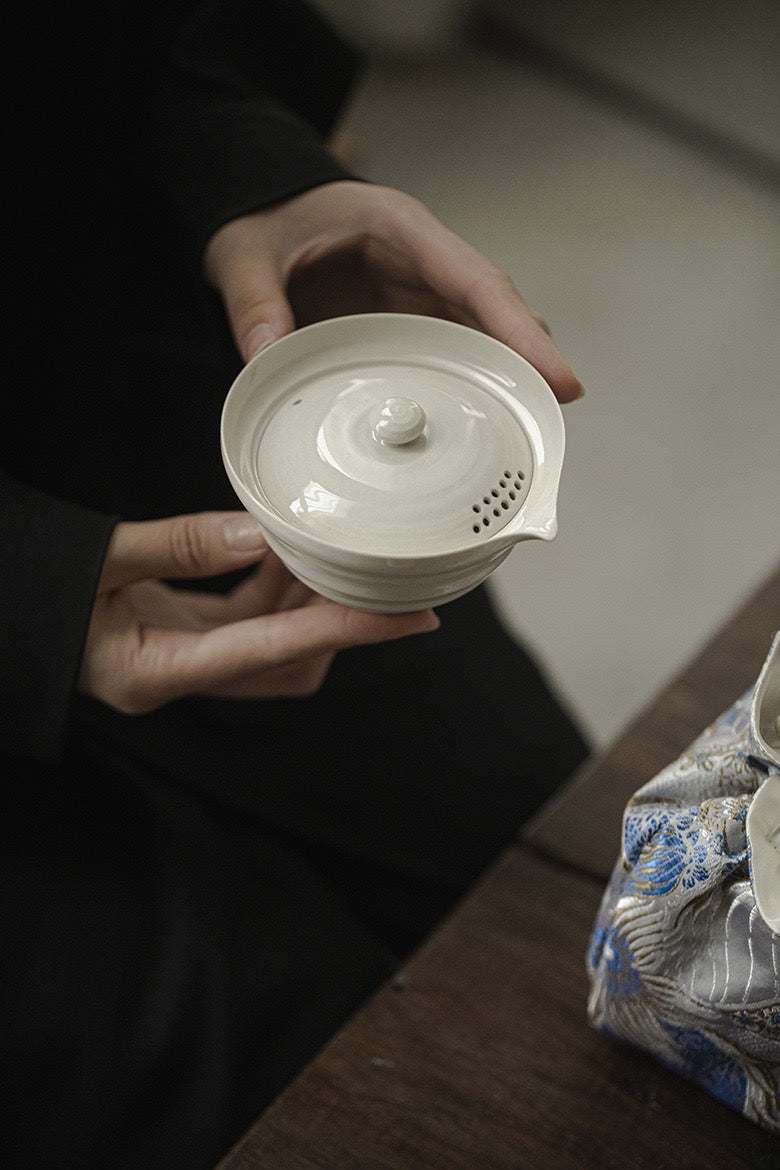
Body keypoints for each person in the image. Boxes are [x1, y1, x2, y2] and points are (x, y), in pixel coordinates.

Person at [1, 2, 589, 1166]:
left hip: (167, 405)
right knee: (298, 1086)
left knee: (562, 862)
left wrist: (243, 170)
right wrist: (30, 585)